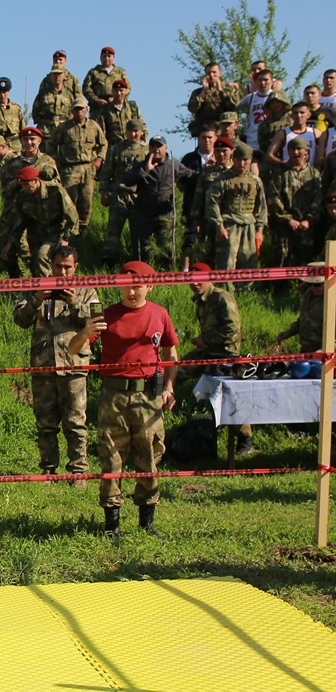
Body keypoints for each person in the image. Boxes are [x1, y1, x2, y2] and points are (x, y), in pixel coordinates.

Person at [68, 262, 178, 538]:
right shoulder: (107, 316)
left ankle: (147, 523)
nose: (131, 291)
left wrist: (169, 388)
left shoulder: (160, 314)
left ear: (149, 286)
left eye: (137, 286)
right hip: (113, 398)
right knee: (111, 458)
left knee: (149, 456)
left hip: (148, 397)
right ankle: (112, 525)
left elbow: (171, 354)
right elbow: (73, 350)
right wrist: (85, 332)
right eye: (126, 285)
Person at [12, 245, 100, 482]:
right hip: (43, 364)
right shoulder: (36, 287)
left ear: (76, 267)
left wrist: (75, 304)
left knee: (76, 421)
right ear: (50, 265)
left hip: (74, 365)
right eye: (58, 266)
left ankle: (78, 470)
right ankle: (49, 469)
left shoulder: (88, 290)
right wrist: (37, 300)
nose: (62, 272)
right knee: (45, 422)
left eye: (67, 267)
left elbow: (98, 320)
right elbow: (20, 319)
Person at [180, 268, 253, 455]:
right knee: (176, 371)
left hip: (226, 355)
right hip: (208, 352)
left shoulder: (222, 298)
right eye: (191, 280)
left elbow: (233, 330)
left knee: (230, 396)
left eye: (198, 280)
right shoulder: (201, 301)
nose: (194, 284)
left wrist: (205, 339)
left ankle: (245, 439)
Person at [0, 127, 59, 277]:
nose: (29, 142)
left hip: (40, 212)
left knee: (38, 251)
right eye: (25, 139)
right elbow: (5, 190)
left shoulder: (47, 161)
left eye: (32, 139)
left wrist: (37, 183)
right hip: (16, 210)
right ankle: (15, 279)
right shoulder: (12, 164)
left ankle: (39, 281)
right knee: (6, 244)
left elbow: (56, 186)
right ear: (20, 141)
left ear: (39, 141)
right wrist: (20, 182)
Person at [125, 136, 195, 262]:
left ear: (166, 148)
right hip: (144, 215)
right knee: (141, 252)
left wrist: (207, 169)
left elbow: (193, 177)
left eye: (159, 146)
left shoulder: (174, 165)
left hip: (165, 215)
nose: (156, 149)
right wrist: (145, 170)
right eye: (153, 146)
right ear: (149, 148)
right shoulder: (142, 165)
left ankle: (166, 272)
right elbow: (128, 180)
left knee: (167, 252)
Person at [2, 164, 78, 277]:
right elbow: (20, 223)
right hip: (37, 232)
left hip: (57, 230)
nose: (24, 188)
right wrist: (10, 243)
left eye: (26, 184)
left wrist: (66, 238)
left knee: (42, 256)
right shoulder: (23, 197)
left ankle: (50, 286)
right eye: (22, 185)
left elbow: (72, 214)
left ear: (36, 180)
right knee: (35, 265)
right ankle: (40, 286)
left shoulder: (55, 190)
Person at [205, 142, 268, 271]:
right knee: (227, 261)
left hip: (249, 225)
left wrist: (260, 230)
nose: (242, 163)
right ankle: (226, 284)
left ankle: (247, 284)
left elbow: (261, 207)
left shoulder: (255, 181)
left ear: (250, 160)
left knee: (248, 261)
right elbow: (212, 202)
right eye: (239, 159)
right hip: (229, 224)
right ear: (234, 159)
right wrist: (219, 226)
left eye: (246, 160)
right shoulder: (223, 179)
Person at [50, 97, 107, 235]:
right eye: (76, 109)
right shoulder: (64, 128)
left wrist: (99, 159)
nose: (79, 112)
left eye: (81, 109)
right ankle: (68, 231)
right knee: (69, 201)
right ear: (72, 111)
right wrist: (56, 160)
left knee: (86, 201)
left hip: (88, 168)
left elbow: (104, 144)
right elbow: (51, 144)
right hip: (70, 168)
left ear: (86, 110)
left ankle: (82, 231)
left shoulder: (94, 126)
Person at [98, 120, 149, 266]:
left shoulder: (146, 151)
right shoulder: (116, 149)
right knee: (113, 231)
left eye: (136, 131)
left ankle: (138, 261)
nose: (133, 134)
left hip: (138, 197)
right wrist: (104, 191)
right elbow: (106, 172)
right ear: (126, 132)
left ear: (141, 132)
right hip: (118, 195)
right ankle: (107, 261)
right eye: (130, 131)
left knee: (138, 232)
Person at [265, 137, 322, 267]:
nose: (296, 152)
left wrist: (308, 220)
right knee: (280, 260)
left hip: (305, 225)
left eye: (299, 149)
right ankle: (280, 282)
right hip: (283, 225)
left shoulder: (314, 174)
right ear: (288, 152)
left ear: (306, 151)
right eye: (292, 149)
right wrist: (288, 219)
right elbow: (274, 199)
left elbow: (318, 200)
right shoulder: (280, 173)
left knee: (305, 262)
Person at [190, 136, 236, 259]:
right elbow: (199, 197)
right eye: (218, 151)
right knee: (207, 257)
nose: (221, 154)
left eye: (224, 151)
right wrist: (196, 221)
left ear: (232, 151)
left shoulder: (237, 172)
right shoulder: (207, 173)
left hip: (231, 222)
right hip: (209, 222)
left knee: (230, 258)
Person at [181, 123, 219, 249]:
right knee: (189, 241)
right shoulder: (189, 159)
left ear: (215, 138)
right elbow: (184, 180)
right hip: (192, 206)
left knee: (214, 243)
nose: (207, 141)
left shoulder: (221, 157)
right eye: (203, 137)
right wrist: (204, 171)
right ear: (198, 139)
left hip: (215, 207)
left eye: (210, 137)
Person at [276, 271, 328, 355]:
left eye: (316, 284)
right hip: (306, 350)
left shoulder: (332, 301)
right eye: (309, 284)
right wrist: (289, 332)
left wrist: (325, 350)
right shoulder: (308, 295)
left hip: (323, 353)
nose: (312, 287)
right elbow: (305, 318)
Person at [187, 63, 241, 137]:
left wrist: (221, 91)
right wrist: (203, 92)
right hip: (205, 131)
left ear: (220, 73)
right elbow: (192, 108)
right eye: (208, 73)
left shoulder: (229, 90)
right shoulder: (198, 92)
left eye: (214, 72)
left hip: (224, 130)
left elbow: (235, 106)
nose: (212, 75)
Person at [32, 64, 75, 151]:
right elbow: (35, 112)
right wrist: (43, 123)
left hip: (63, 131)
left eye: (59, 74)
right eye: (54, 74)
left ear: (64, 75)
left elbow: (72, 114)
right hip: (46, 131)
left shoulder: (69, 95)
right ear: (51, 76)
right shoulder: (43, 94)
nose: (57, 77)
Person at [92, 80, 143, 146]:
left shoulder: (132, 107)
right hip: (114, 147)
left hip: (132, 146)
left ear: (126, 91)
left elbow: (141, 124)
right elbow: (101, 131)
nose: (119, 93)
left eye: (121, 90)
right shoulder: (105, 109)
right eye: (116, 91)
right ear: (112, 92)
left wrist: (144, 140)